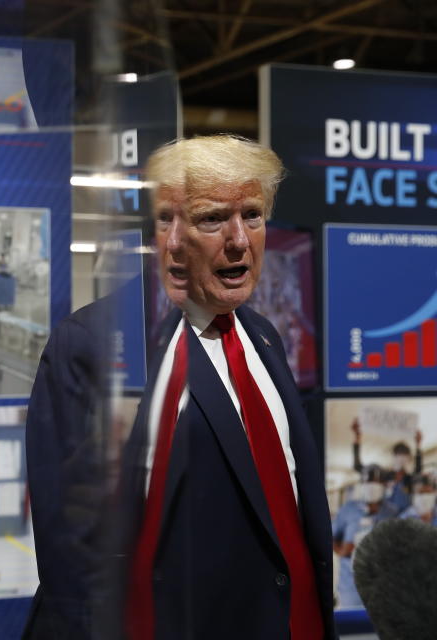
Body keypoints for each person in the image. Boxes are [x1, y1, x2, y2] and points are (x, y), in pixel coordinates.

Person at [23, 135, 335, 640]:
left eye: (252, 215)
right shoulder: (95, 346)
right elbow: (74, 555)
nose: (239, 240)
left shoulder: (265, 337)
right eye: (213, 218)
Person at [332, 466, 393, 608]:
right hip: (351, 588)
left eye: (376, 482)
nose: (372, 486)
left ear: (384, 485)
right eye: (368, 482)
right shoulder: (348, 509)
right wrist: (342, 550)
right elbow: (330, 537)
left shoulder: (392, 511)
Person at [352, 418, 422, 514]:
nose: (401, 458)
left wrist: (418, 445)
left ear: (409, 459)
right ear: (393, 457)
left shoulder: (409, 479)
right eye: (398, 454)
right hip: (386, 518)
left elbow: (418, 470)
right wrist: (357, 437)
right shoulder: (385, 476)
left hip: (405, 520)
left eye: (404, 455)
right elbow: (358, 467)